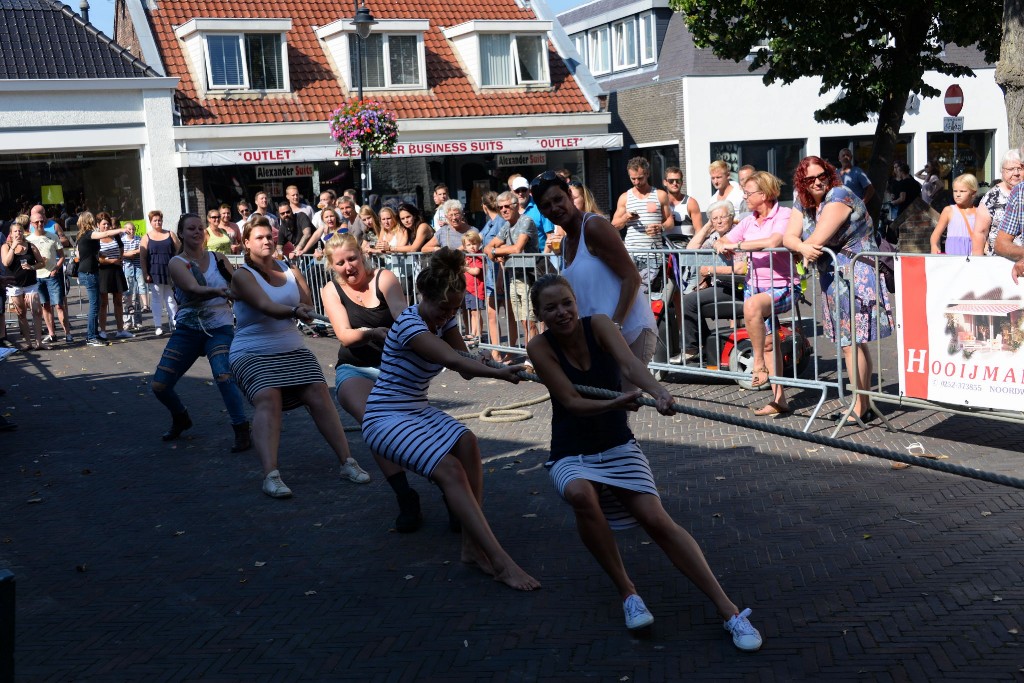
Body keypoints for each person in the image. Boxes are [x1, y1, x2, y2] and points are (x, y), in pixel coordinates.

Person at [525, 274, 762, 649]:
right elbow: (571, 401)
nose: (561, 312)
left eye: (566, 302)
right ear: (539, 313)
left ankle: (730, 611)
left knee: (656, 519)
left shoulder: (599, 324)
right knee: (581, 496)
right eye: (551, 307)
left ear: (576, 301)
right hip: (571, 450)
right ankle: (628, 593)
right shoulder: (539, 346)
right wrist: (618, 402)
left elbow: (632, 367)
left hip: (616, 443)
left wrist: (658, 391)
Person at [360, 248, 540, 591]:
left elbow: (465, 362)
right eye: (442, 308)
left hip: (416, 409)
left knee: (468, 441)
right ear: (423, 296)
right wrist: (502, 375)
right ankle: (501, 562)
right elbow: (453, 361)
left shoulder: (446, 320)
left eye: (454, 309)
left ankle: (472, 546)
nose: (446, 316)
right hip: (384, 416)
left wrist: (493, 365)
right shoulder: (410, 324)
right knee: (450, 470)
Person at [229, 217, 371, 498]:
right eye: (259, 237)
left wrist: (302, 309)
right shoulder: (242, 275)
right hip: (251, 350)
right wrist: (295, 312)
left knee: (319, 392)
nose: (267, 241)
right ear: (246, 243)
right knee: (269, 396)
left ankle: (347, 461)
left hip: (292, 347)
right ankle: (271, 474)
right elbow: (265, 306)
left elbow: (306, 302)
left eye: (269, 236)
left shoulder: (291, 269)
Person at [320, 233, 423, 531]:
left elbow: (402, 317)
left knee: (413, 429)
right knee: (374, 423)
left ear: (362, 256)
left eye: (352, 258)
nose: (349, 266)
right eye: (340, 263)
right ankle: (406, 496)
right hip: (356, 367)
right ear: (331, 266)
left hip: (394, 367)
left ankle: (448, 487)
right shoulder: (330, 290)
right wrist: (372, 332)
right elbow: (345, 335)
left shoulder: (385, 277)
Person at [784, 156, 894, 425]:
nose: (818, 181)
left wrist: (803, 246)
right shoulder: (803, 200)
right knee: (851, 343)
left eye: (822, 175)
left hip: (856, 274)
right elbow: (788, 237)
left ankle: (860, 404)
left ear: (829, 174)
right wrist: (800, 248)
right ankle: (863, 403)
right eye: (810, 179)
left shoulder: (840, 194)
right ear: (803, 182)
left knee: (851, 343)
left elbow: (817, 240)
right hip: (833, 276)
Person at [530, 171, 657, 384]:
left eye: (558, 199)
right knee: (605, 407)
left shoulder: (594, 227)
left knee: (617, 408)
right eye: (546, 205)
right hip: (599, 341)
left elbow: (632, 278)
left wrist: (614, 328)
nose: (554, 208)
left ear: (570, 196)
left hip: (630, 332)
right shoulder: (563, 244)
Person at [151, 213, 251, 452]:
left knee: (223, 375)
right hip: (187, 329)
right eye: (191, 229)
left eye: (200, 228)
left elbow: (238, 283)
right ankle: (181, 417)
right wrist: (220, 291)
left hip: (220, 326)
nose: (196, 232)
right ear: (182, 233)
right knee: (160, 386)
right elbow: (193, 288)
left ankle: (241, 429)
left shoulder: (219, 259)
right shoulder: (177, 262)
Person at [714, 172, 795, 417]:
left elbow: (773, 241)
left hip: (781, 287)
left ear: (765, 194)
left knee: (751, 308)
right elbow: (725, 239)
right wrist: (722, 244)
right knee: (770, 342)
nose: (745, 197)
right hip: (756, 286)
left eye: (749, 193)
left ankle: (757, 364)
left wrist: (736, 246)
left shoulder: (785, 215)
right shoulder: (749, 221)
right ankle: (779, 400)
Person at [678, 201, 744, 360]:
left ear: (731, 217)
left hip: (739, 287)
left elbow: (742, 268)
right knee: (690, 300)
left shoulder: (737, 235)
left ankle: (691, 349)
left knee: (689, 302)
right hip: (722, 286)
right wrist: (707, 226)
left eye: (723, 217)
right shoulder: (714, 236)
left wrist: (710, 270)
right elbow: (690, 250)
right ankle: (707, 345)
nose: (719, 221)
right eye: (715, 218)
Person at [484, 191, 538, 345]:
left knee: (531, 321)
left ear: (516, 206)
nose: (504, 210)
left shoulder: (526, 221)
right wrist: (497, 251)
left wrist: (497, 251)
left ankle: (533, 358)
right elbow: (487, 247)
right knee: (523, 321)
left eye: (507, 206)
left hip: (530, 277)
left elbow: (517, 248)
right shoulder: (507, 225)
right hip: (514, 277)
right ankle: (532, 354)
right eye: (500, 207)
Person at [612, 157, 671, 293]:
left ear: (647, 174)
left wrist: (660, 227)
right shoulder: (625, 197)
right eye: (633, 179)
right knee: (630, 291)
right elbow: (614, 225)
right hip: (631, 253)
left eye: (640, 178)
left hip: (653, 254)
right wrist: (626, 217)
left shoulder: (660, 195)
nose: (636, 182)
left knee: (647, 293)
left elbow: (669, 221)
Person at [77, 211, 129, 346]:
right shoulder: (88, 234)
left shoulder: (83, 235)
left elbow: (87, 252)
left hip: (90, 272)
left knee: (97, 304)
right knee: (95, 306)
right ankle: (91, 336)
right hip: (89, 273)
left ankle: (94, 334)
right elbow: (105, 234)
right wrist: (122, 229)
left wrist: (100, 253)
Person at [27, 214, 73, 343]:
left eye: (42, 221)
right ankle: (52, 333)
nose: (40, 224)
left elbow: (62, 256)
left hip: (52, 276)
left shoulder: (52, 236)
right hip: (37, 277)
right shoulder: (29, 240)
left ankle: (67, 333)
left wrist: (56, 268)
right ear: (31, 224)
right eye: (37, 222)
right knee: (45, 306)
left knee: (59, 305)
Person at [1, 218, 45, 350]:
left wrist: (32, 267)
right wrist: (13, 247)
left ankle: (39, 342)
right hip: (15, 285)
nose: (18, 233)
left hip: (31, 284)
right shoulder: (6, 246)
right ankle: (28, 342)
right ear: (11, 233)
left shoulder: (30, 245)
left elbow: (42, 262)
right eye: (15, 231)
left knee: (37, 311)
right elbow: (6, 263)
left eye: (20, 231)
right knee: (21, 313)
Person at [479, 191, 510, 361]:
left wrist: (499, 276)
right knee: (491, 314)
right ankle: (496, 352)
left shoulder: (500, 223)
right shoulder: (490, 224)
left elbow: (501, 254)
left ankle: (509, 351)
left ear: (484, 207)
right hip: (490, 274)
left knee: (508, 314)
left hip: (500, 273)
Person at [140, 209, 181, 337]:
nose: (158, 222)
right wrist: (145, 273)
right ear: (151, 222)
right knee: (157, 299)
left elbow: (179, 251)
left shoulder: (170, 234)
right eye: (155, 220)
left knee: (171, 299)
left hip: (170, 270)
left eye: (159, 220)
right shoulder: (146, 237)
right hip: (154, 271)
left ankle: (175, 323)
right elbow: (143, 257)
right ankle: (158, 325)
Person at [95, 212, 133, 341]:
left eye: (107, 224)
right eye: (103, 224)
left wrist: (120, 258)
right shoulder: (96, 239)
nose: (106, 226)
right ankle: (103, 331)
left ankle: (120, 330)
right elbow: (97, 258)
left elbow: (122, 248)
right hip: (103, 272)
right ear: (98, 225)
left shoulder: (115, 237)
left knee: (118, 300)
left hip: (116, 271)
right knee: (103, 303)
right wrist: (111, 260)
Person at [929, 174, 989, 256]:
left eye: (962, 191)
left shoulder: (979, 212)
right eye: (955, 191)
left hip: (973, 254)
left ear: (973, 193)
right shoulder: (949, 210)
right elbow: (936, 234)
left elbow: (984, 235)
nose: (957, 194)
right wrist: (934, 245)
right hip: (953, 255)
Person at [982, 150, 1023, 255]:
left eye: (1020, 168)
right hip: (998, 261)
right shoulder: (991, 197)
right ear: (1002, 171)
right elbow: (980, 233)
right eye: (1011, 169)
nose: (1016, 173)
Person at [511, 176, 555, 252]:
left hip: (538, 258)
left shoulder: (540, 207)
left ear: (529, 191)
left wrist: (544, 257)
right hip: (516, 260)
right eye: (517, 191)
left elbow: (550, 235)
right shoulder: (509, 209)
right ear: (512, 192)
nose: (520, 193)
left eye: (524, 190)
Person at [120, 222, 147, 331]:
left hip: (137, 267)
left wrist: (133, 252)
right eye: (129, 229)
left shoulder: (138, 238)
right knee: (127, 295)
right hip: (127, 268)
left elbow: (142, 249)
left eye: (133, 229)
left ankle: (137, 321)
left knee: (136, 295)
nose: (131, 231)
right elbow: (120, 253)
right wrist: (127, 254)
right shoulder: (122, 240)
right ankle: (127, 321)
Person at [663, 166, 702, 239]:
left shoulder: (691, 202)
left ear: (682, 182)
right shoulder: (660, 202)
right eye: (671, 181)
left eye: (678, 181)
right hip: (665, 247)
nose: (674, 183)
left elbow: (699, 230)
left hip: (686, 248)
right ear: (665, 182)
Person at [462, 230, 485, 342]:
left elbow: (476, 271)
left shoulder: (478, 256)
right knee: (472, 312)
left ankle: (478, 334)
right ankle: (473, 332)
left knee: (476, 312)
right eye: (469, 245)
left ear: (479, 244)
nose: (472, 247)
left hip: (477, 289)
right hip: (469, 289)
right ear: (464, 247)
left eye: (474, 244)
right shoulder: (468, 257)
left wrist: (465, 268)